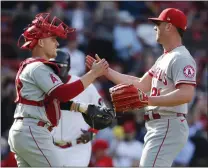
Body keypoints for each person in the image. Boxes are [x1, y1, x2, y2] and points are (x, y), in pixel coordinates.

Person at [86, 8, 197, 167]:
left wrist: (147, 99)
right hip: (159, 124)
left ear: (169, 27)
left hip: (168, 123)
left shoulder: (181, 57)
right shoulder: (165, 57)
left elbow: (186, 94)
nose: (154, 28)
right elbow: (141, 83)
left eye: (158, 24)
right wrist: (107, 72)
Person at [8, 13, 108, 167]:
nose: (56, 43)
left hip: (27, 130)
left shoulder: (33, 66)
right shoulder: (38, 67)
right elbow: (63, 94)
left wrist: (81, 107)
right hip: (33, 131)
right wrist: (93, 73)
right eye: (53, 39)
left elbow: (56, 101)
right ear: (41, 42)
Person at [50, 49, 103, 166]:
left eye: (60, 66)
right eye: (53, 66)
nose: (56, 70)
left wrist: (92, 132)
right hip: (50, 147)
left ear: (68, 67)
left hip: (77, 148)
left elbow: (103, 113)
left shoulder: (85, 85)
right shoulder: (44, 85)